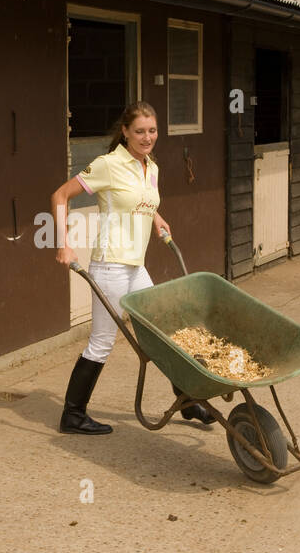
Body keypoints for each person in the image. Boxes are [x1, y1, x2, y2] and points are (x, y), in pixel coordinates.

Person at [50, 101, 216, 434]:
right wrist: (63, 243)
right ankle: (72, 415)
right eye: (139, 131)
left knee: (164, 329)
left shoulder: (150, 167)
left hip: (135, 266)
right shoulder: (108, 165)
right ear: (125, 132)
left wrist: (156, 217)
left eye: (152, 131)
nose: (146, 137)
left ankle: (186, 401)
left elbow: (140, 199)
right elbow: (59, 196)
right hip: (110, 265)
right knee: (101, 342)